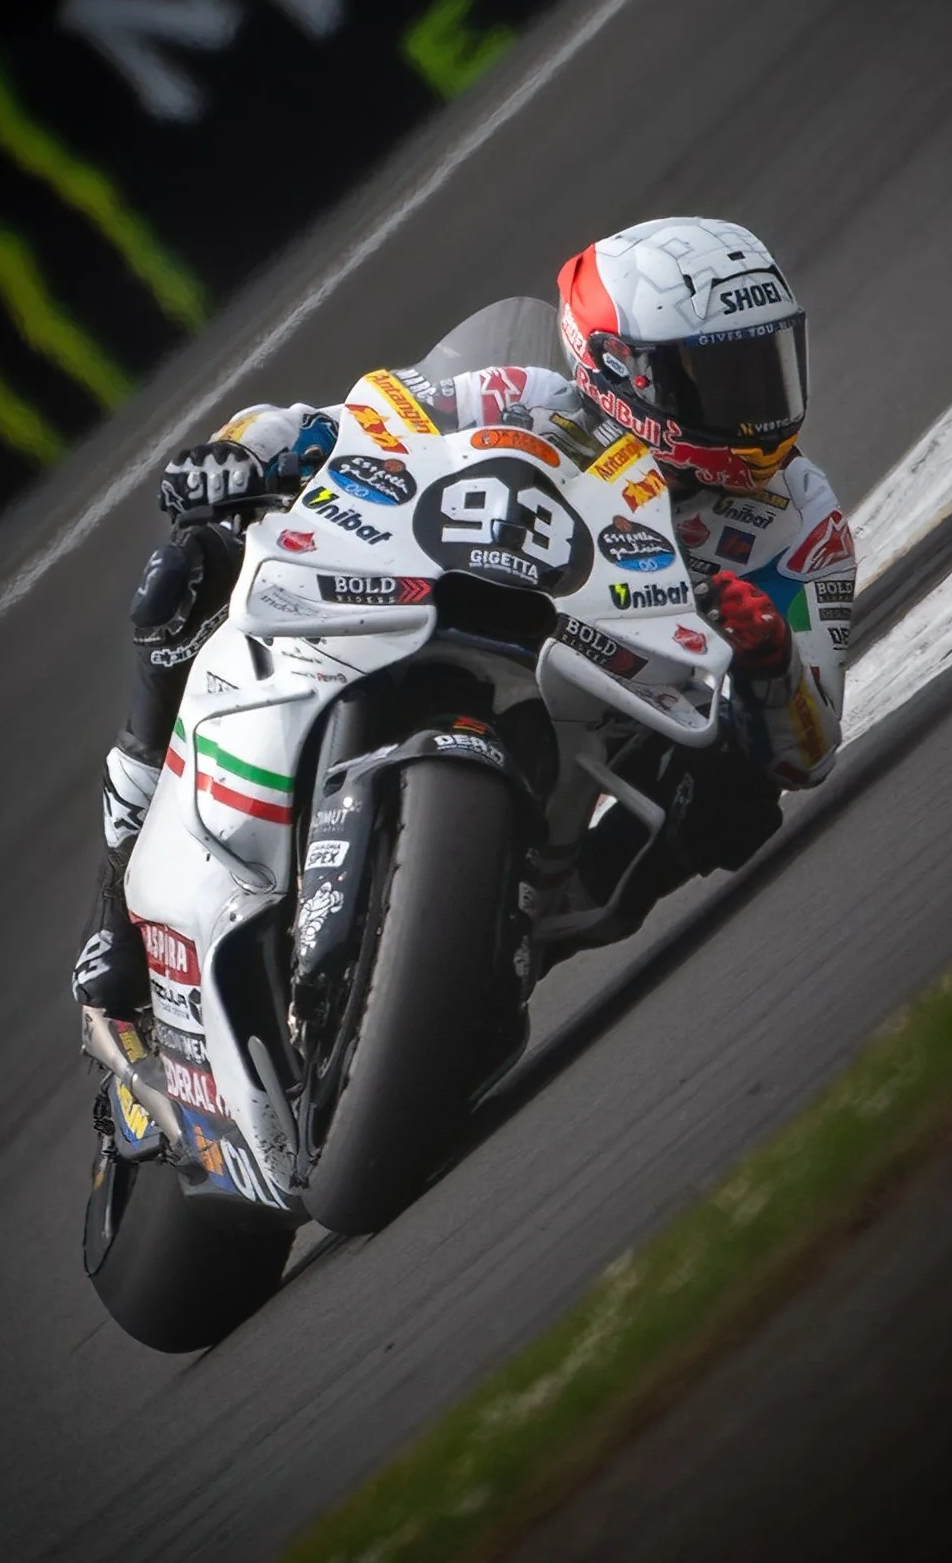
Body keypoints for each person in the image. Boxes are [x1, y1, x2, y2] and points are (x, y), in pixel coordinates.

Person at [72, 216, 853, 1014]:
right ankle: (119, 885)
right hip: (452, 604)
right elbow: (346, 419)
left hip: (605, 716)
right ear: (625, 371)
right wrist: (244, 451)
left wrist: (769, 657)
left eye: (769, 365)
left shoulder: (801, 520)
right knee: (191, 564)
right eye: (721, 377)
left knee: (739, 796)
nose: (758, 407)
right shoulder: (525, 394)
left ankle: (528, 931)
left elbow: (811, 746)